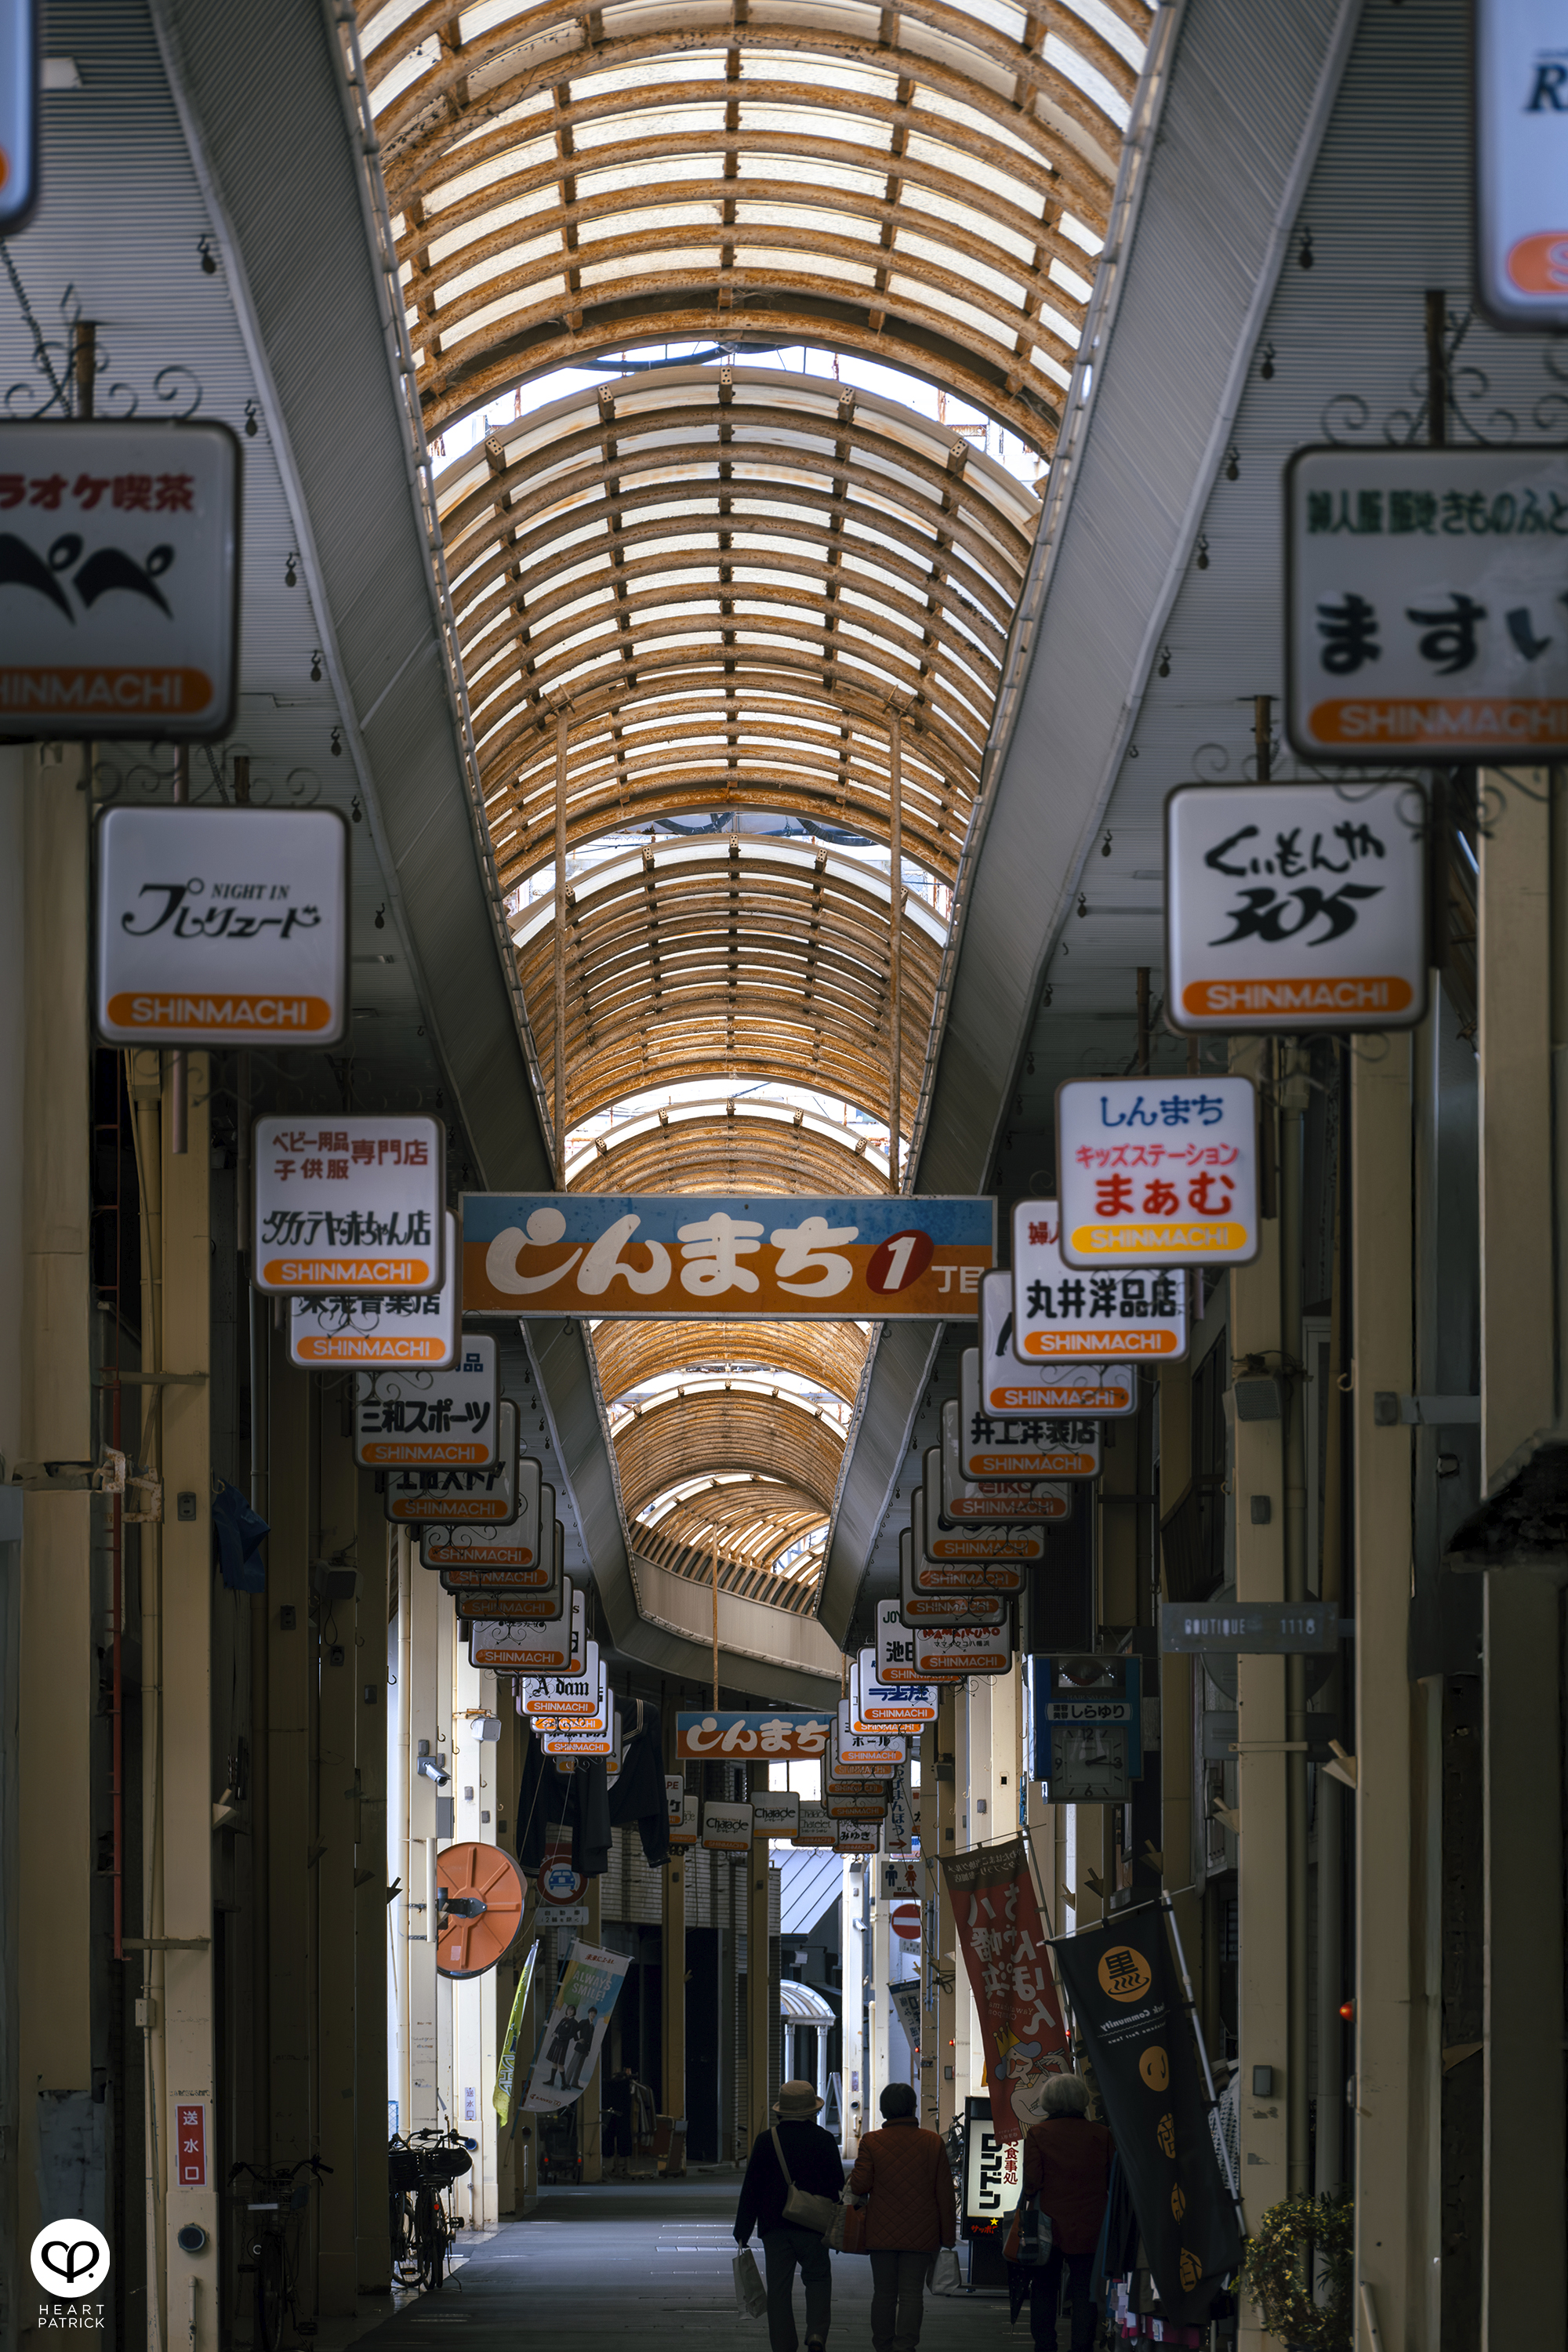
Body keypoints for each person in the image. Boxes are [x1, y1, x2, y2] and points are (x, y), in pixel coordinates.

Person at [734, 2078, 845, 2352]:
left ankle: (784, 2345)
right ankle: (817, 2334)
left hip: (775, 2227)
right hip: (814, 2226)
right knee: (818, 2278)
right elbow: (837, 2187)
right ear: (813, 2111)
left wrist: (743, 2230)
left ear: (781, 2110)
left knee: (779, 2290)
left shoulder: (765, 2141)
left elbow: (752, 2188)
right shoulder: (825, 2140)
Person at [847, 2082, 956, 2352]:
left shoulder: (872, 2141)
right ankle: (905, 2347)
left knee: (884, 2295)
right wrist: (948, 2236)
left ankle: (882, 2346)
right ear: (913, 2107)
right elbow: (944, 2192)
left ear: (884, 2109)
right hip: (923, 2232)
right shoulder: (933, 2142)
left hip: (881, 2231)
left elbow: (859, 2185)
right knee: (911, 2295)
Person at [1017, 2074, 1114, 2352]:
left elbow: (1033, 2181)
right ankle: (1082, 2346)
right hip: (1091, 2224)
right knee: (1085, 2292)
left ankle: (1045, 2345)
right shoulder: (1102, 2134)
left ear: (1049, 2101)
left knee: (1044, 2288)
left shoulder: (1038, 2134)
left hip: (1048, 2225)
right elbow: (1111, 2179)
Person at [603, 2063, 637, 2178]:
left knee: (609, 2134)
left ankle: (610, 2162)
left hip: (611, 2110)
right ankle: (624, 2164)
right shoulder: (626, 2087)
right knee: (624, 2135)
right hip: (624, 2113)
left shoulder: (606, 2086)